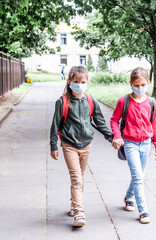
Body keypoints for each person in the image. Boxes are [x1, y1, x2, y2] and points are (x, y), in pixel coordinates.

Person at [50, 66, 112, 227]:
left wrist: (111, 137)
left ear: (87, 82)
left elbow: (100, 122)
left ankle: (73, 204)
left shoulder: (91, 101)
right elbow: (55, 125)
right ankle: (79, 213)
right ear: (69, 81)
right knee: (76, 178)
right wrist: (53, 145)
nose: (79, 84)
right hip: (69, 144)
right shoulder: (62, 101)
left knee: (80, 178)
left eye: (82, 82)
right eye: (76, 82)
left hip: (86, 145)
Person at [110, 67, 156, 224]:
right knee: (138, 177)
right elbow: (114, 120)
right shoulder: (123, 101)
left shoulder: (151, 102)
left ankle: (129, 196)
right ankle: (143, 211)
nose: (140, 88)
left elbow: (155, 125)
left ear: (148, 84)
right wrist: (117, 136)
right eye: (137, 85)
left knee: (139, 175)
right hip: (130, 143)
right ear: (130, 83)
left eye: (143, 85)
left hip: (146, 144)